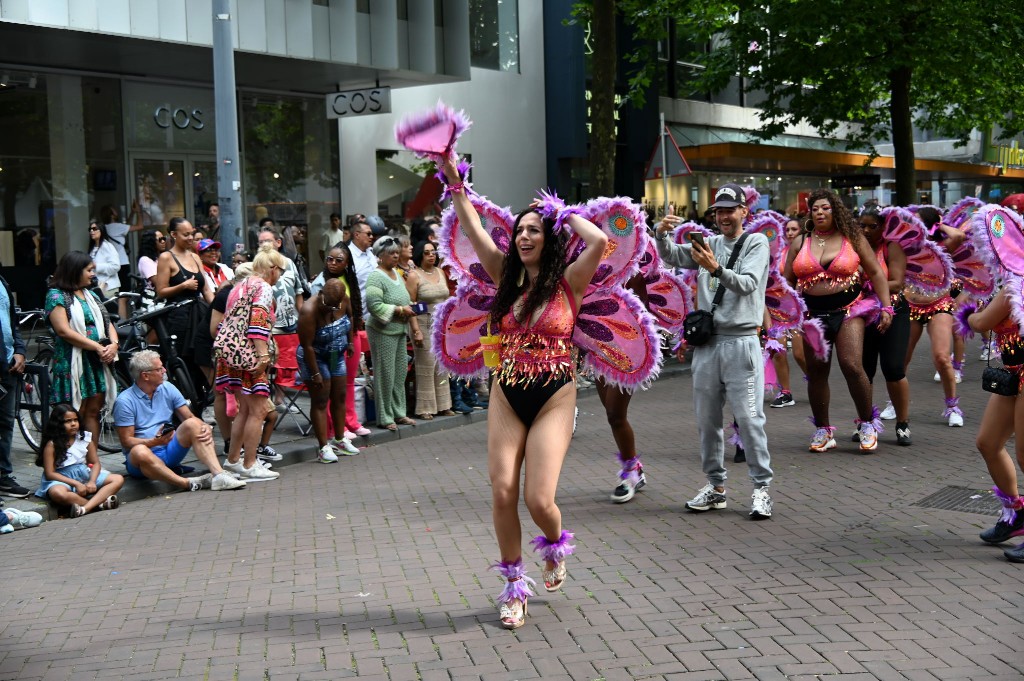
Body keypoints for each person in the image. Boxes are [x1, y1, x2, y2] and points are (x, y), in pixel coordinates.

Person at [440, 153, 608, 630]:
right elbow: (472, 228)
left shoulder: (570, 282)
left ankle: (555, 548)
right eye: (520, 230)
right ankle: (514, 587)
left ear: (549, 238)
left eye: (535, 229)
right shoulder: (503, 277)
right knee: (502, 490)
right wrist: (455, 184)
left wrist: (560, 212)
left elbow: (598, 239)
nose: (525, 236)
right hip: (507, 390)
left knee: (538, 500)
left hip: (555, 393)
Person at [656, 184, 774, 520]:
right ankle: (715, 487)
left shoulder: (756, 242)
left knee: (750, 420)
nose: (723, 216)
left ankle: (761, 489)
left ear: (743, 212)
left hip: (742, 343)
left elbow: (749, 283)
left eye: (729, 209)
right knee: (707, 423)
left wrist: (714, 268)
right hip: (708, 345)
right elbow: (670, 256)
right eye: (718, 211)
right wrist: (661, 234)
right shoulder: (706, 244)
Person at [783, 189, 893, 452]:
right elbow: (787, 280)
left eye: (826, 208)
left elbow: (876, 272)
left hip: (848, 311)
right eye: (815, 208)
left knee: (852, 365)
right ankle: (823, 430)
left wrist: (887, 307)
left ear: (836, 211)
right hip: (812, 316)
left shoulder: (852, 237)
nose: (820, 212)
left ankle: (867, 422)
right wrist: (787, 314)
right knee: (817, 372)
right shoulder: (801, 241)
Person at [113, 350, 245, 492]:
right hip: (142, 461)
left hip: (169, 449)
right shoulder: (125, 401)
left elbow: (189, 417)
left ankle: (218, 475)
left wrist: (204, 426)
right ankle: (186, 483)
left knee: (194, 425)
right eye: (159, 369)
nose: (164, 371)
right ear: (145, 376)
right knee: (139, 451)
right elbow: (126, 441)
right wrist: (153, 442)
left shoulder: (167, 387)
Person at [214, 245, 284, 481]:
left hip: (231, 354)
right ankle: (249, 463)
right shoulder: (263, 288)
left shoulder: (240, 285)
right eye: (280, 271)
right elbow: (257, 325)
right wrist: (263, 356)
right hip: (250, 355)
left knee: (245, 409)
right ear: (272, 269)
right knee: (259, 410)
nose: (280, 276)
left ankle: (234, 460)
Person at [45, 251, 120, 458]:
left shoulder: (91, 294)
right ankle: (68, 461)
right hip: (72, 361)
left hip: (95, 361)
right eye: (89, 270)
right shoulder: (56, 295)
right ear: (74, 271)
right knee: (73, 414)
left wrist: (113, 345)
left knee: (93, 412)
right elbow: (63, 331)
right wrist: (96, 346)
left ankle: (91, 460)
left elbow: (108, 323)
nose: (92, 275)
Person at [904, 207, 966, 428]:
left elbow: (959, 235)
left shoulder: (942, 248)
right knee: (901, 361)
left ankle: (952, 406)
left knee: (941, 357)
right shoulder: (904, 247)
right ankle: (895, 403)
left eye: (919, 221)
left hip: (939, 305)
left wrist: (938, 224)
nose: (914, 225)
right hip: (910, 307)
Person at [859, 207, 912, 446]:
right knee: (863, 371)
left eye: (873, 226)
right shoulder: (854, 247)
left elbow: (897, 283)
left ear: (884, 227)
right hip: (863, 314)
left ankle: (902, 424)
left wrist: (867, 281)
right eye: (862, 225)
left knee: (893, 368)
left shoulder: (892, 247)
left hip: (894, 312)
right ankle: (866, 422)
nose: (867, 230)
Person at [297, 278, 361, 462]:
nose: (332, 309)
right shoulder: (309, 311)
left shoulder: (343, 299)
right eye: (328, 304)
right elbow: (307, 346)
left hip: (335, 354)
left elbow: (350, 317)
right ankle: (323, 447)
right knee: (320, 399)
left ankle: (339, 439)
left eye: (336, 306)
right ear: (321, 294)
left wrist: (349, 341)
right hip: (315, 356)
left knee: (339, 395)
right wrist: (315, 373)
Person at [364, 236, 421, 431]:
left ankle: (399, 413)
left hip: (398, 330)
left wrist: (409, 309)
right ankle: (385, 416)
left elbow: (402, 298)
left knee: (399, 374)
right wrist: (399, 310)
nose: (396, 255)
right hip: (382, 331)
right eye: (391, 253)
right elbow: (374, 305)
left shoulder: (396, 273)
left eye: (397, 252)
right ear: (380, 256)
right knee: (385, 374)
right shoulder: (376, 276)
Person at [34, 404, 124, 517]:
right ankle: (98, 506)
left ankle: (85, 508)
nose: (73, 424)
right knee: (58, 493)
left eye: (75, 420)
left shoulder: (84, 438)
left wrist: (92, 481)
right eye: (68, 421)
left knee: (118, 479)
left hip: (82, 473)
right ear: (58, 424)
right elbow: (50, 473)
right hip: (61, 478)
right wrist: (76, 483)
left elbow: (95, 463)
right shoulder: (52, 444)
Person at [405, 241, 454, 420]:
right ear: (420, 255)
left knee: (441, 364)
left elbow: (447, 297)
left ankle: (444, 405)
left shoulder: (440, 272)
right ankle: (424, 408)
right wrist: (415, 330)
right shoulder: (414, 276)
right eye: (426, 253)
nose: (431, 255)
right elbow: (410, 304)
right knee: (426, 364)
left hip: (441, 323)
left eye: (433, 252)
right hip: (422, 322)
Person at [154, 218, 213, 358]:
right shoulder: (166, 257)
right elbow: (161, 292)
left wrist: (218, 309)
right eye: (186, 235)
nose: (190, 238)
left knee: (203, 356)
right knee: (181, 356)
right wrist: (183, 286)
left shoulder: (195, 257)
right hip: (178, 316)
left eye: (192, 234)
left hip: (199, 312)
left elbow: (206, 290)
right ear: (174, 235)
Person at [768, 217, 807, 408]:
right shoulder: (777, 253)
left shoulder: (806, 252)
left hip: (799, 309)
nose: (790, 232)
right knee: (778, 350)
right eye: (788, 229)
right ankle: (785, 392)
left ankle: (816, 380)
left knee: (800, 354)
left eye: (794, 229)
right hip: (779, 309)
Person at [0, 273, 30, 499]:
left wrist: (20, 351)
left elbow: (12, 322)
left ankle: (3, 476)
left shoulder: (2, 280)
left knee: (6, 423)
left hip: (9, 365)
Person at [257, 226, 305, 334]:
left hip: (294, 324)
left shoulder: (289, 263)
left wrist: (303, 319)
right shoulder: (256, 267)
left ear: (278, 243)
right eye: (261, 242)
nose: (264, 245)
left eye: (268, 241)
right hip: (272, 327)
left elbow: (298, 292)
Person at [100, 203, 144, 318]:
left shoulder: (105, 228)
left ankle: (115, 319)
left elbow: (126, 226)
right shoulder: (117, 227)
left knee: (114, 294)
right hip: (122, 263)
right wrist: (138, 212)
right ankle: (122, 322)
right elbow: (139, 226)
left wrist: (132, 213)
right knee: (123, 296)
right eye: (114, 210)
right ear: (111, 215)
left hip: (111, 264)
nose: (116, 211)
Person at [88, 219, 121, 302]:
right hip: (98, 287)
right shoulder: (93, 248)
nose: (92, 231)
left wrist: (96, 266)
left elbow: (115, 266)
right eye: (90, 229)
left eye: (95, 229)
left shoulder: (107, 246)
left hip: (108, 287)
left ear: (101, 230)